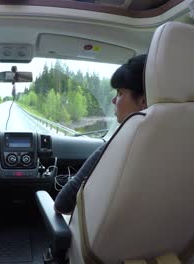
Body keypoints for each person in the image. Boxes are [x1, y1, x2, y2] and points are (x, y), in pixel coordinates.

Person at [54, 54, 148, 214]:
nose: (113, 100)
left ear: (143, 101)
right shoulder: (190, 144)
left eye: (119, 93)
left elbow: (62, 205)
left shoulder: (118, 146)